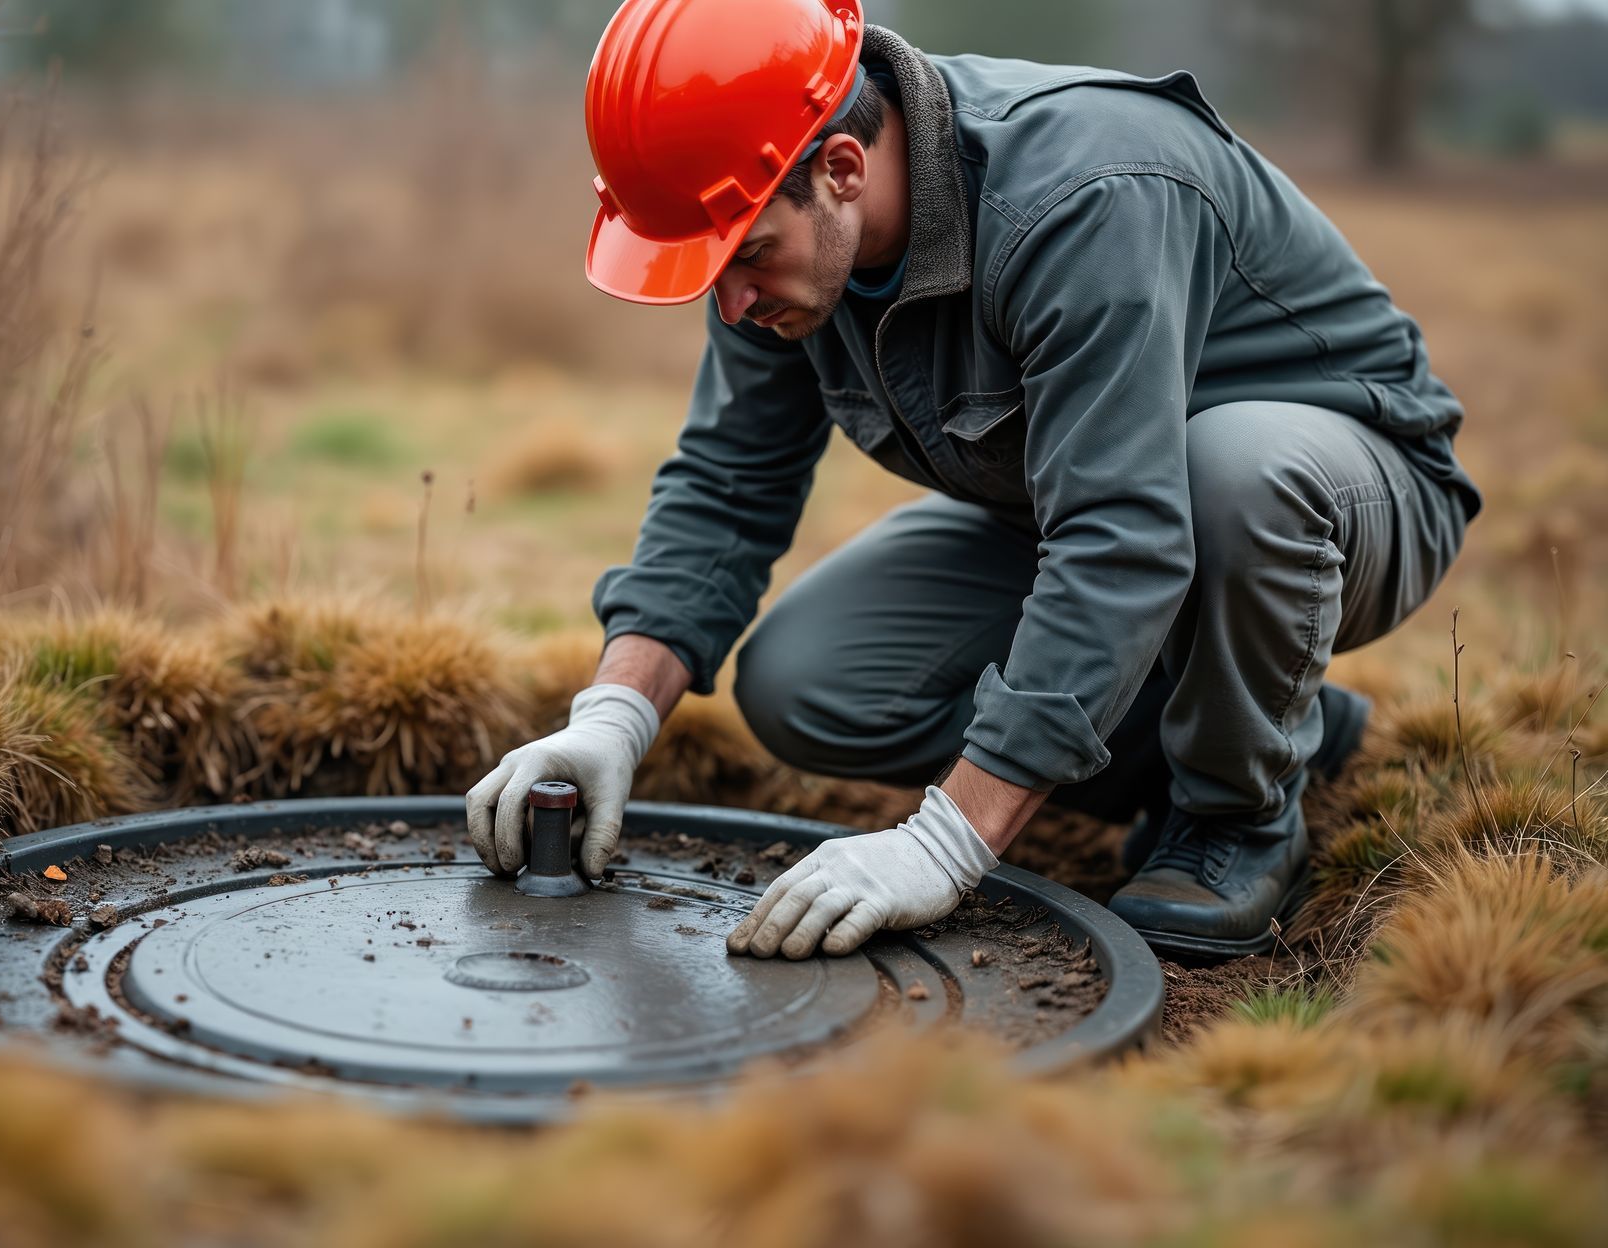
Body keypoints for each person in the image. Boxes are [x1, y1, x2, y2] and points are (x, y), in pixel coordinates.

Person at [465, 0, 1478, 961]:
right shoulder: (778, 239)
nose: (730, 304)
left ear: (846, 166)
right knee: (809, 683)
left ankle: (1239, 817)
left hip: (1343, 494)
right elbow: (729, 481)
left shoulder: (1083, 197)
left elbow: (1123, 537)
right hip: (1082, 508)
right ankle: (1245, 719)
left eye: (745, 259)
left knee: (1231, 473)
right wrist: (613, 717)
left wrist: (950, 840)